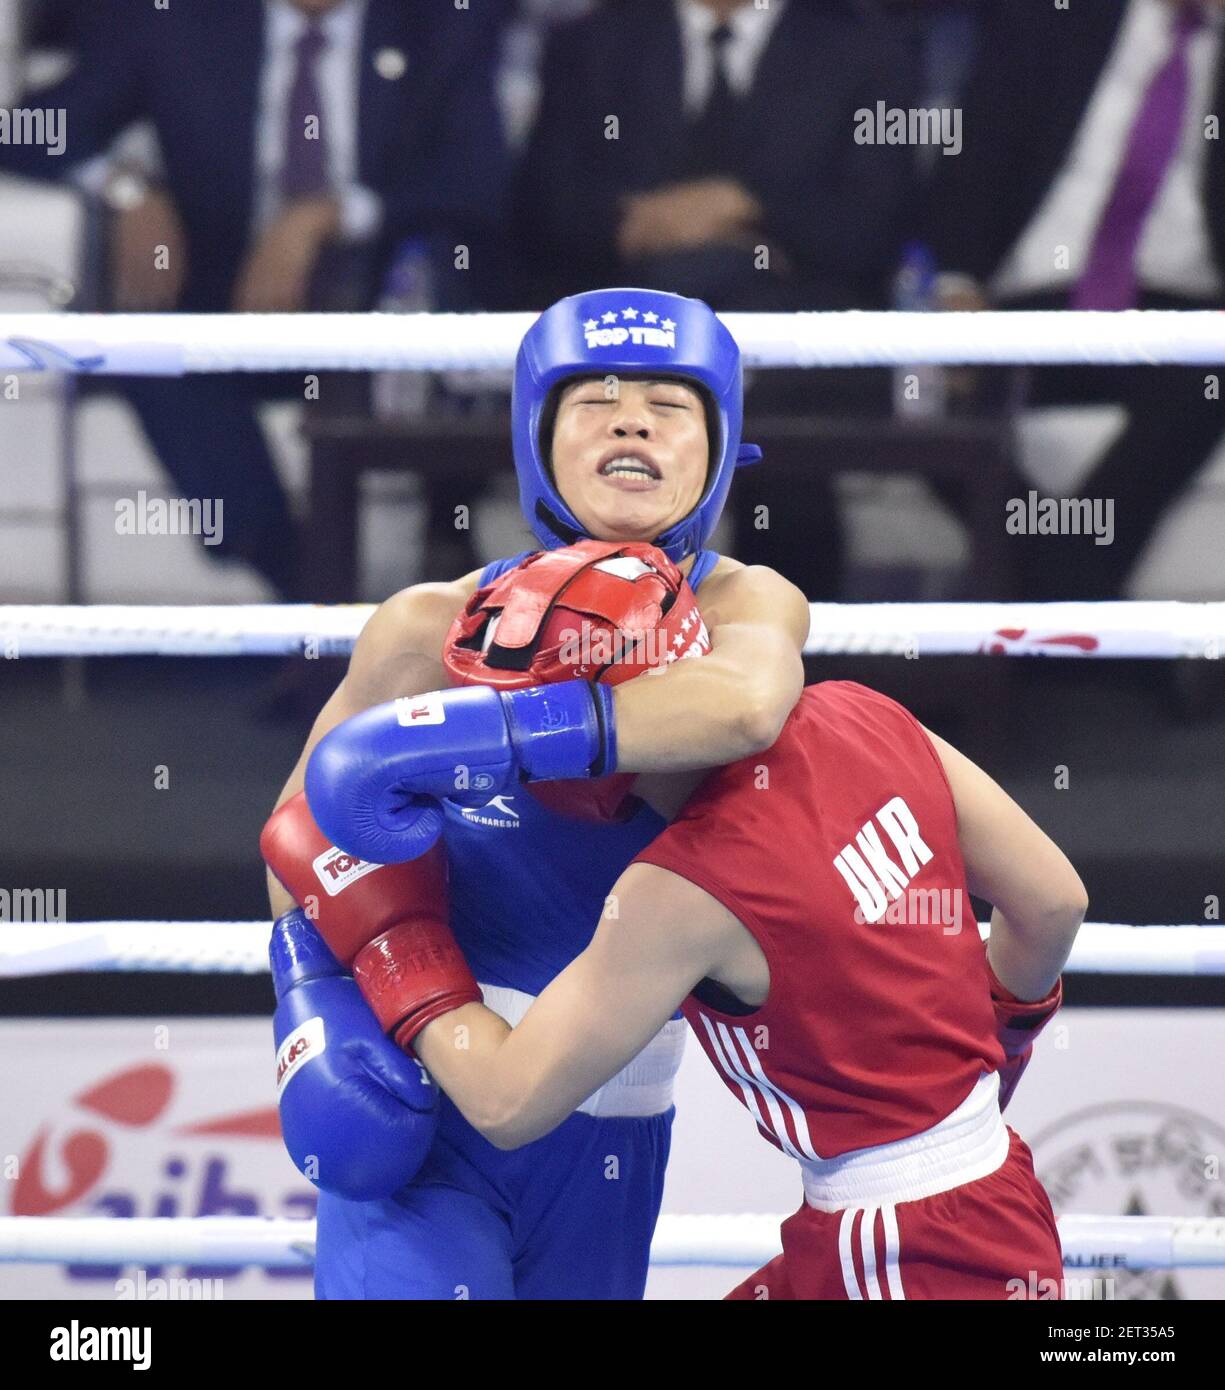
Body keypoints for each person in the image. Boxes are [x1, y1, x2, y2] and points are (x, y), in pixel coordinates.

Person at [289, 541, 1086, 1301]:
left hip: (905, 1249)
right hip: (989, 1190)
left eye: (513, 742)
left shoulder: (680, 892)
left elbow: (504, 1102)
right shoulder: (862, 712)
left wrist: (389, 943)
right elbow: (1052, 902)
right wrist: (979, 1067)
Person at [263, 286, 811, 1299]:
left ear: (720, 447)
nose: (632, 416)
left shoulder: (745, 603)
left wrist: (486, 731)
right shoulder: (427, 628)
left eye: (669, 402)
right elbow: (300, 832)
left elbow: (742, 708)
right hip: (426, 1107)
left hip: (614, 1137)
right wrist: (316, 1009)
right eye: (596, 397)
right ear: (538, 437)